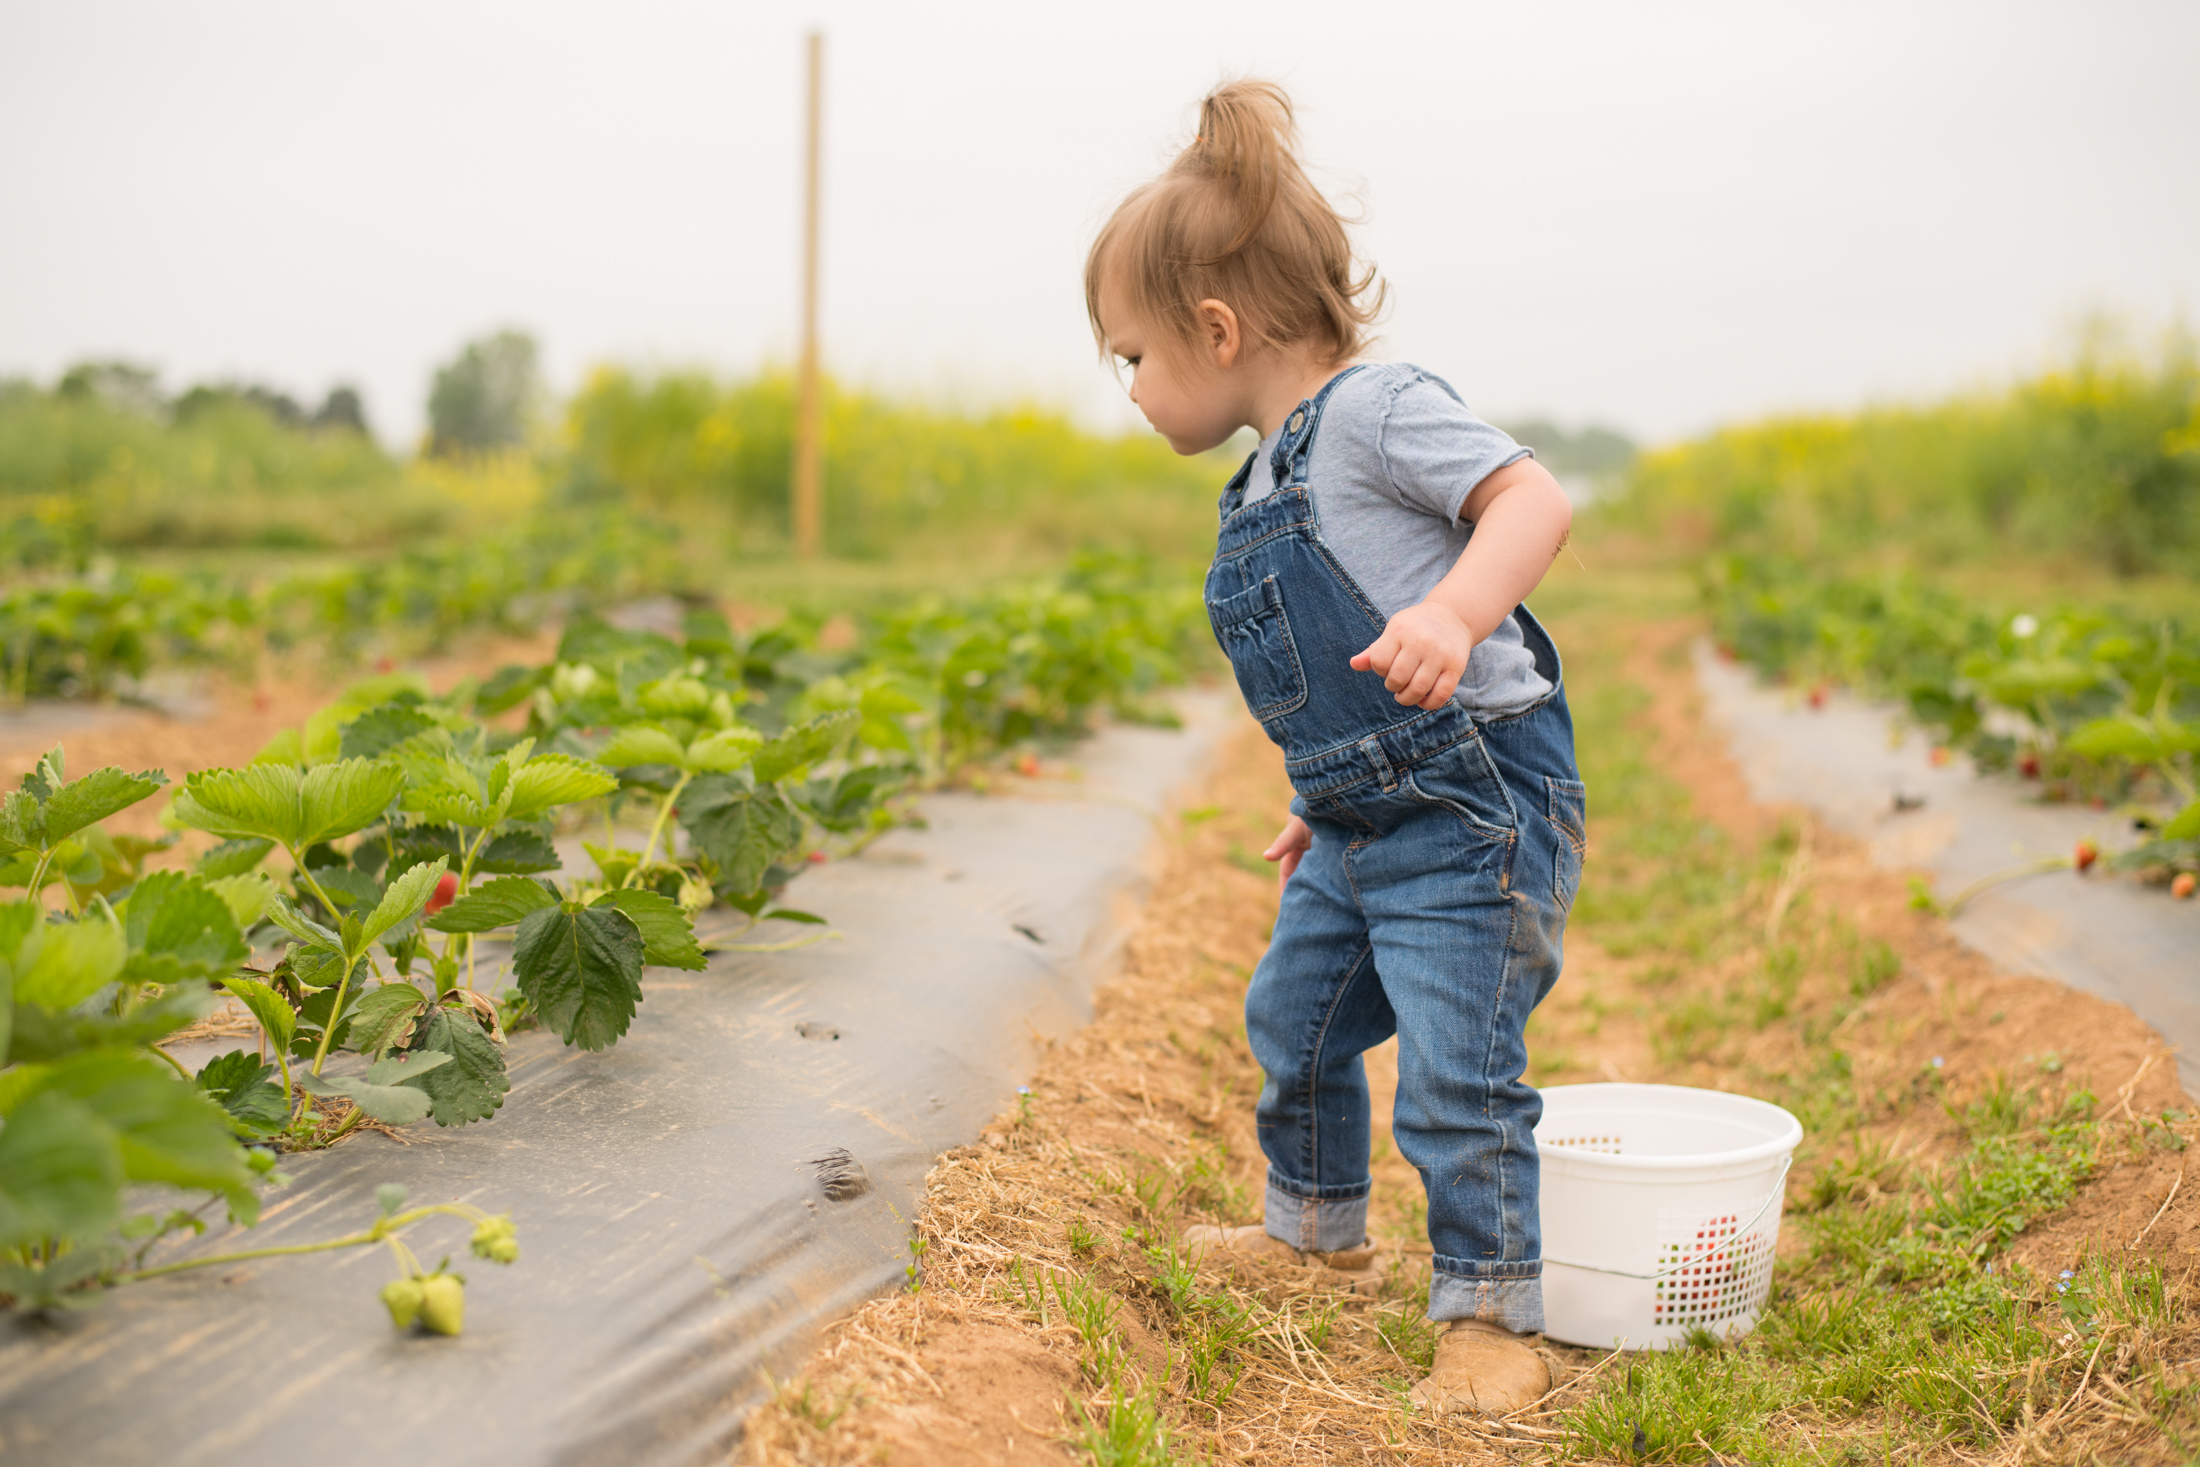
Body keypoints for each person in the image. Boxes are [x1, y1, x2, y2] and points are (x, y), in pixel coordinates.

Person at [1084, 79, 1584, 1416]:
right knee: (1292, 1023)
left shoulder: (1375, 411)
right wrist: (1320, 794)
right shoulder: (1256, 484)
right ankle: (1314, 1233)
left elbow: (1530, 498)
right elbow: (1328, 677)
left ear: (1216, 326)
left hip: (1469, 808)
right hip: (1362, 820)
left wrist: (1455, 607)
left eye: (1129, 354)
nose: (1128, 387)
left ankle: (1492, 1316)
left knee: (1456, 1073)